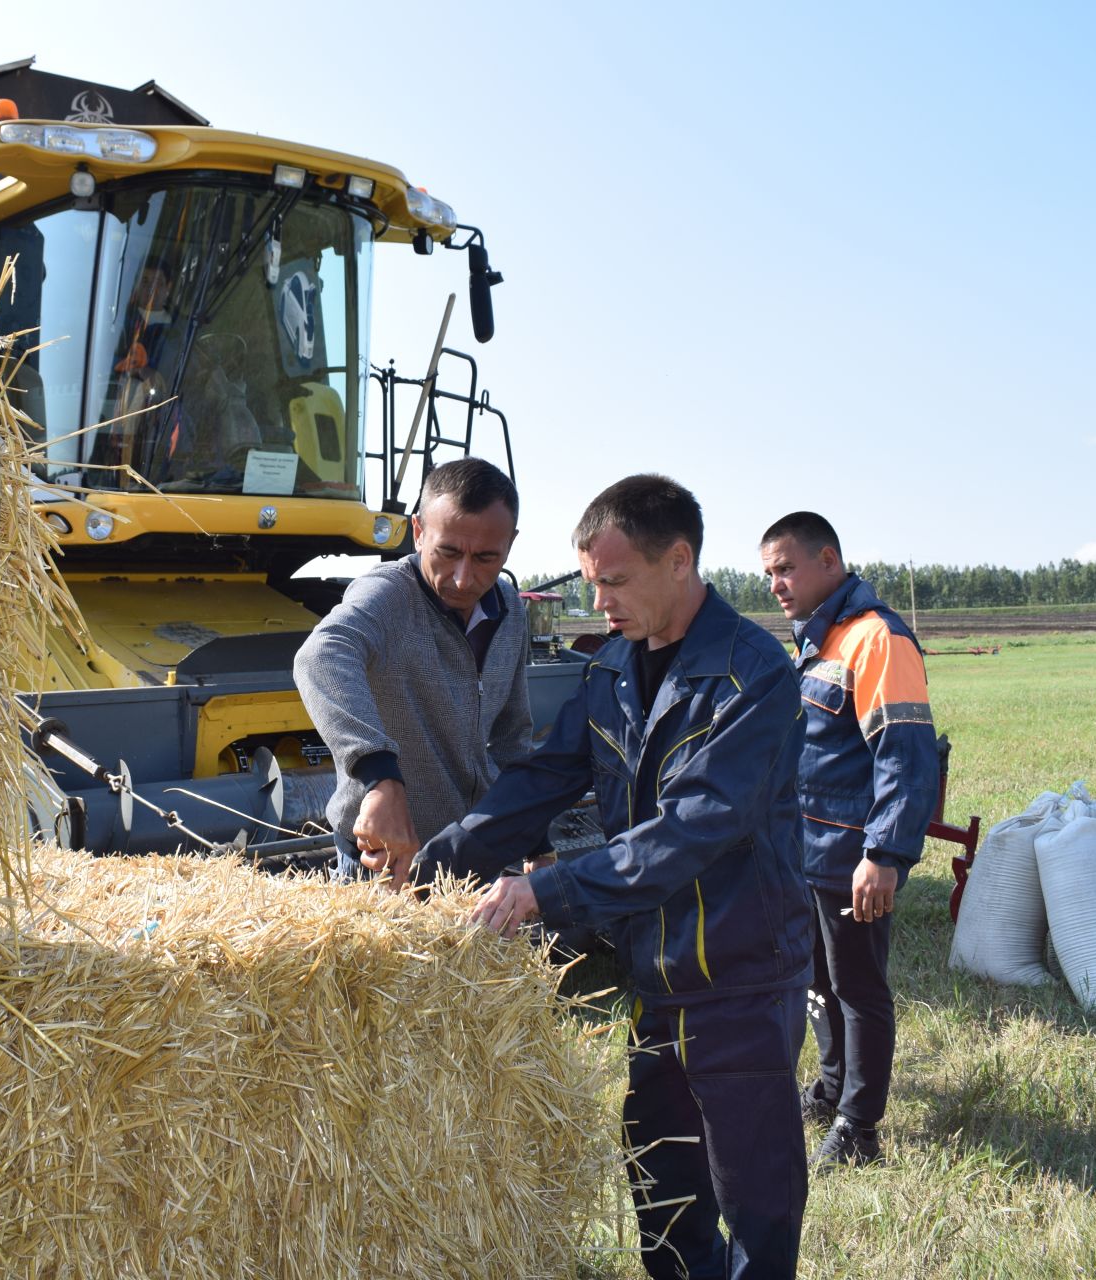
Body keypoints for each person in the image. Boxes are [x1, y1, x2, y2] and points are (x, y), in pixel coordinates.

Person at [414, 474, 813, 1280]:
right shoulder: (611, 672)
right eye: (592, 583)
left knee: (755, 1199)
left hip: (737, 975)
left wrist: (545, 891)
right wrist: (437, 865)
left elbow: (693, 829)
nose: (600, 604)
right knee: (662, 1187)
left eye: (616, 583)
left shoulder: (753, 677)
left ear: (679, 561)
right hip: (658, 977)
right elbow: (541, 782)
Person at [758, 512, 939, 1169]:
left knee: (858, 989)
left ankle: (860, 1128)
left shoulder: (876, 639)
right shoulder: (819, 641)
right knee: (817, 984)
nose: (776, 583)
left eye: (786, 568)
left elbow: (905, 754)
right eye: (769, 573)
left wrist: (883, 855)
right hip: (808, 854)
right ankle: (833, 1089)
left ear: (828, 561)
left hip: (853, 858)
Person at [294, 457, 533, 883]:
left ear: (510, 544)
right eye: (449, 552)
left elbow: (512, 738)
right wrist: (380, 778)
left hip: (464, 856)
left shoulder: (510, 611)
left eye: (485, 558)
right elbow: (322, 654)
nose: (463, 579)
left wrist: (536, 834)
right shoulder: (388, 594)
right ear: (419, 532)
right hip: (381, 862)